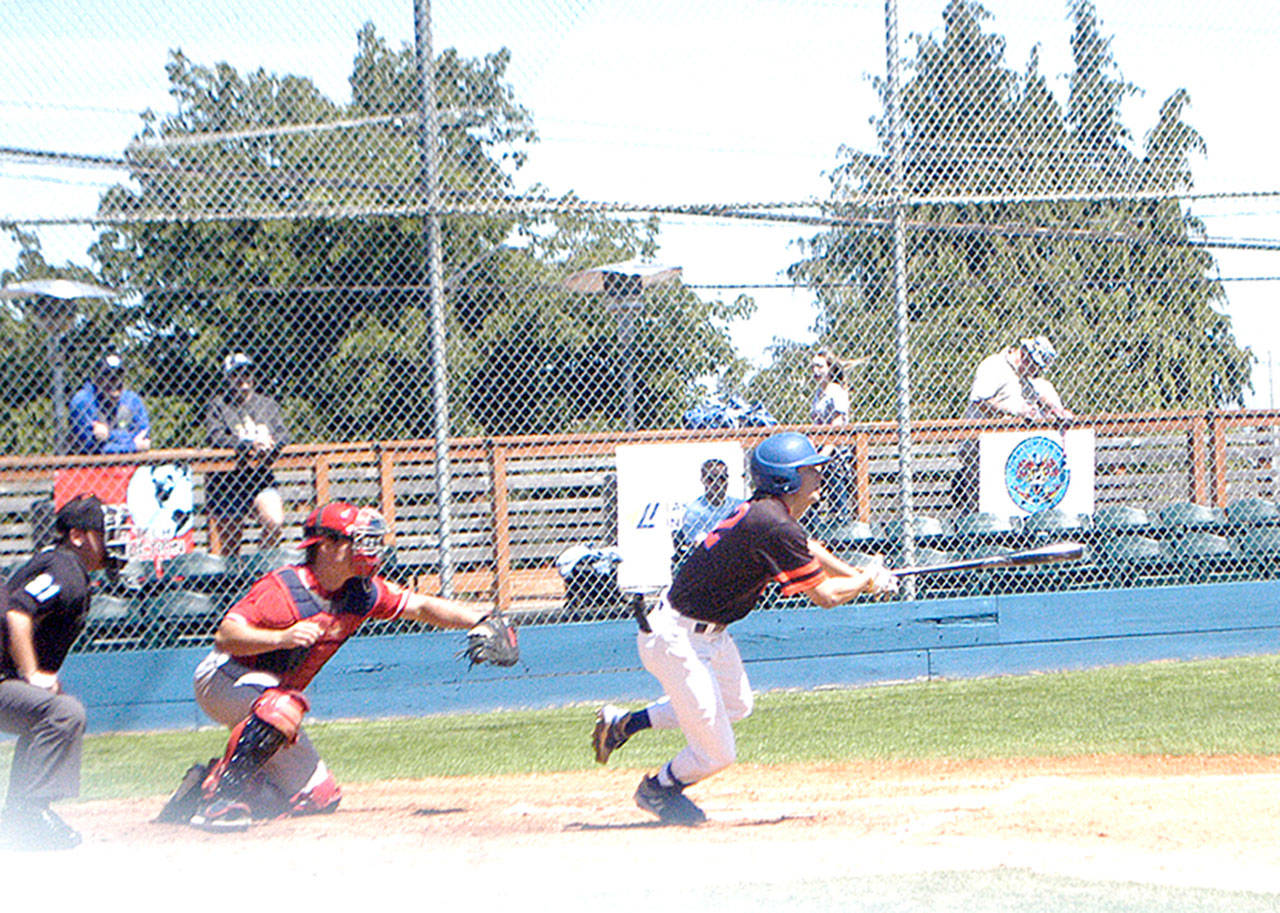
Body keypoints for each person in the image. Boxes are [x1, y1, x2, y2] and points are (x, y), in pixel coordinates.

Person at [591, 432, 899, 825]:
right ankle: (660, 789)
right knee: (717, 753)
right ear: (787, 480)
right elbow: (825, 596)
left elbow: (811, 548)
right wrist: (866, 580)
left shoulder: (768, 514)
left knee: (737, 705)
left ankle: (625, 723)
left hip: (706, 634)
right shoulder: (772, 524)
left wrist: (859, 574)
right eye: (809, 472)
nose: (818, 482)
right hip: (677, 638)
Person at [161, 501, 506, 832]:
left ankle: (203, 783)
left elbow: (420, 606)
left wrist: (482, 618)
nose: (367, 550)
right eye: (356, 542)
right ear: (325, 546)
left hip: (270, 695)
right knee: (282, 706)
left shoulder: (359, 593)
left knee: (318, 797)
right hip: (224, 678)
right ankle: (221, 800)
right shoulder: (283, 588)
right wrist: (281, 638)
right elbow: (226, 635)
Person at [0, 494, 129, 850]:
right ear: (77, 536)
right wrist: (30, 673)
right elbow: (17, 612)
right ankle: (26, 817)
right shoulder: (65, 569)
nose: (115, 540)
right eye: (104, 532)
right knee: (62, 712)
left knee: (48, 711)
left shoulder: (66, 567)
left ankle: (20, 817)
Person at [952, 336, 1075, 513]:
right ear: (1025, 355)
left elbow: (1039, 396)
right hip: (979, 446)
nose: (1036, 372)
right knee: (984, 507)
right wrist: (1014, 411)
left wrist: (1057, 411)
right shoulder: (995, 366)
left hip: (1011, 450)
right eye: (1035, 366)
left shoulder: (1024, 377)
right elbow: (980, 400)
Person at [204, 353, 291, 556]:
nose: (243, 378)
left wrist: (272, 444)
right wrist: (248, 444)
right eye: (236, 374)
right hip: (227, 481)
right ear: (227, 378)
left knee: (274, 521)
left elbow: (284, 434)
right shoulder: (218, 405)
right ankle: (234, 583)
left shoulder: (267, 405)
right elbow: (215, 436)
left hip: (259, 477)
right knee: (230, 546)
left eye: (247, 372)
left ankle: (259, 568)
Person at [67, 353, 151, 454]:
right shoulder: (83, 401)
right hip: (90, 467)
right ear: (97, 379)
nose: (115, 382)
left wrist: (109, 435)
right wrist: (132, 446)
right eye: (108, 377)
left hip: (128, 466)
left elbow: (144, 435)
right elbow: (91, 448)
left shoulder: (131, 399)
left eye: (118, 376)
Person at [809, 348, 852, 522]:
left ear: (829, 368)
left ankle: (841, 520)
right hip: (819, 449)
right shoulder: (819, 394)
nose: (815, 371)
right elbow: (815, 426)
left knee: (836, 492)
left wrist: (824, 454)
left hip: (836, 453)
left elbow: (837, 425)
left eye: (819, 366)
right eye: (813, 367)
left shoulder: (836, 391)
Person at [674, 459, 746, 553]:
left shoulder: (738, 505)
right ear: (703, 480)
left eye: (722, 478)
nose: (718, 484)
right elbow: (701, 545)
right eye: (712, 479)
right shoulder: (694, 512)